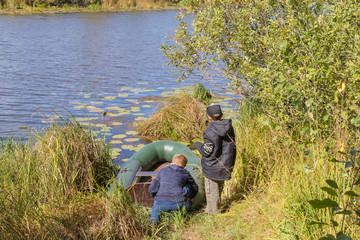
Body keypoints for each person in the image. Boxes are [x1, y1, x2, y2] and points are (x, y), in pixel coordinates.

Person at [193, 104, 236, 215]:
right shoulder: (229, 128)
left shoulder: (209, 133)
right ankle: (212, 210)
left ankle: (213, 215)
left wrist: (198, 145)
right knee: (218, 190)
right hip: (225, 164)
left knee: (211, 192)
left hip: (212, 168)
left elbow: (207, 151)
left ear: (209, 117)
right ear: (221, 115)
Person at [149, 154, 199, 224]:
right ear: (185, 166)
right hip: (178, 203)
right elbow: (194, 187)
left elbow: (153, 187)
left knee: (155, 210)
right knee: (187, 185)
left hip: (161, 202)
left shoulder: (162, 171)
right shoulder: (185, 173)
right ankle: (185, 211)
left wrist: (155, 197)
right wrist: (191, 197)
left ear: (171, 163)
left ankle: (154, 222)